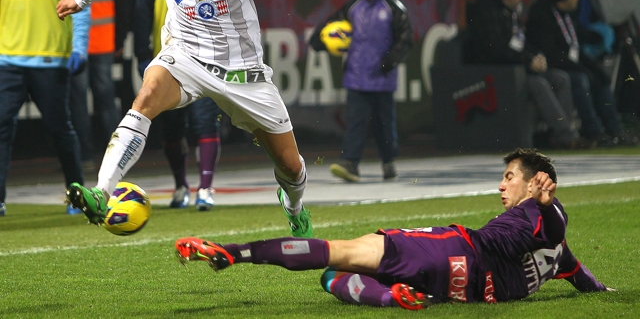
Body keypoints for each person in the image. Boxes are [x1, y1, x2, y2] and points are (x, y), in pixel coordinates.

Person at [57, 0, 336, 237]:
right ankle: (101, 192)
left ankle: (294, 204)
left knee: (291, 167)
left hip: (243, 71)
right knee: (147, 94)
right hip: (186, 57)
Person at [175, 148, 611, 310]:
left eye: (511, 176)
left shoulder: (538, 214)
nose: (502, 184)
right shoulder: (557, 250)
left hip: (453, 248)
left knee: (338, 252)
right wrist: (603, 293)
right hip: (463, 289)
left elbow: (551, 230)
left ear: (536, 182)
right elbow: (577, 273)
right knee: (333, 279)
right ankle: (390, 295)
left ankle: (234, 252)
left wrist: (548, 205)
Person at [0, 0, 90, 216]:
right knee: (1, 130)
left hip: (51, 60)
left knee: (60, 130)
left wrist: (79, 48)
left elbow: (82, 3)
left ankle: (77, 195)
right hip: (7, 59)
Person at [134, 0, 222, 210]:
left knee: (205, 123)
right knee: (172, 128)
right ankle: (181, 186)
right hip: (168, 60)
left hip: (206, 58)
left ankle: (205, 189)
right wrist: (143, 56)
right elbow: (142, 14)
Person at [308, 0, 413, 182]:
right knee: (355, 121)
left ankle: (388, 160)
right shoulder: (352, 7)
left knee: (384, 123)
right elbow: (328, 27)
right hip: (356, 76)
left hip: (382, 78)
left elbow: (405, 39)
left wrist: (389, 62)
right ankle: (351, 164)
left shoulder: (393, 8)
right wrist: (319, 41)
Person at [464, 0, 589, 149]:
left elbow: (523, 43)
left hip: (520, 67)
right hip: (502, 72)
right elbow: (497, 51)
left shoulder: (510, 14)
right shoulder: (489, 17)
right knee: (539, 84)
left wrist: (537, 56)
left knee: (560, 78)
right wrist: (528, 61)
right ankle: (567, 136)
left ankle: (558, 135)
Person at [526, 0, 637, 146]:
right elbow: (552, 54)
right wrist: (583, 69)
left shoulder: (568, 16)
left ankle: (614, 129)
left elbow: (576, 45)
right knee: (580, 79)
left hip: (569, 64)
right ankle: (593, 130)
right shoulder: (542, 17)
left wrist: (595, 66)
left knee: (601, 77)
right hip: (553, 66)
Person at [70, 0, 121, 169]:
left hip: (76, 44)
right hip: (104, 41)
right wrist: (120, 37)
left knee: (78, 102)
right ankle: (117, 154)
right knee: (107, 100)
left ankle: (84, 155)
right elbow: (122, 0)